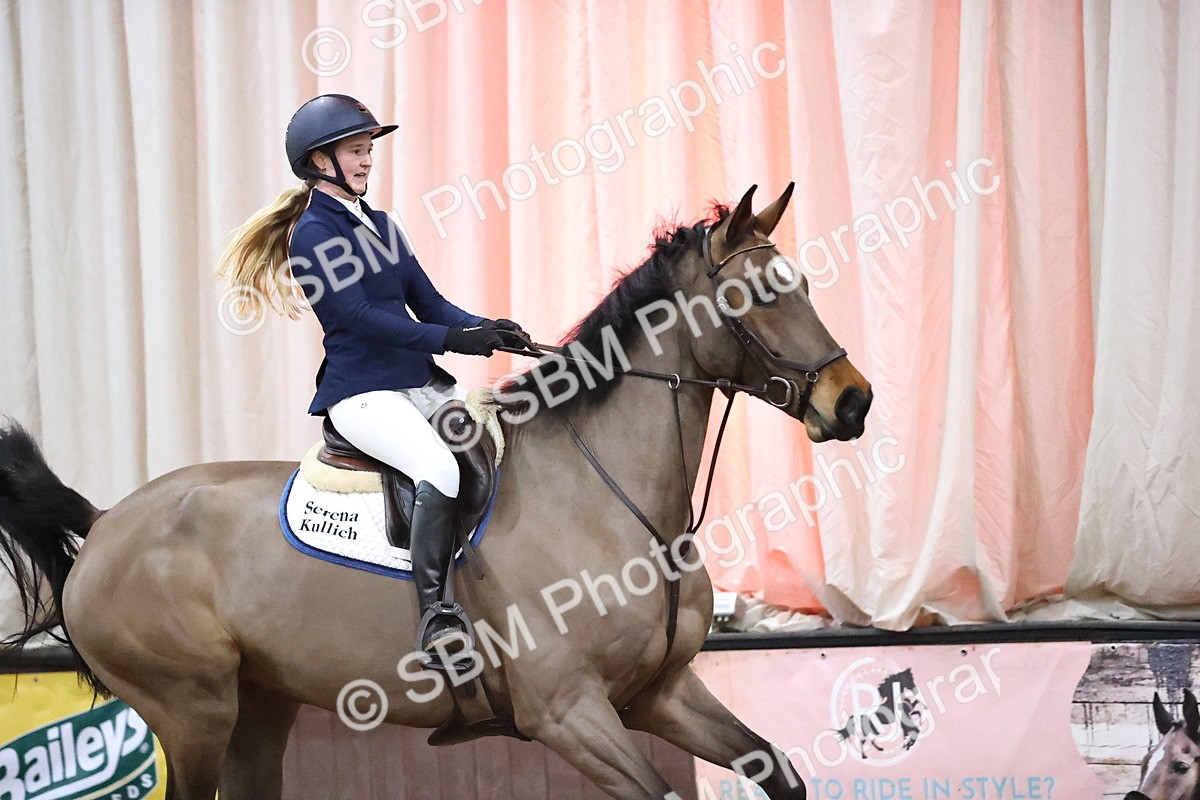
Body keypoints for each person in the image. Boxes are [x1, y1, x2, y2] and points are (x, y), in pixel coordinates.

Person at [217, 93, 523, 665]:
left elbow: (428, 303)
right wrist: (453, 342)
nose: (366, 162)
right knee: (436, 466)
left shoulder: (382, 224)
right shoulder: (310, 234)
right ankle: (436, 618)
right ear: (319, 161)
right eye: (355, 152)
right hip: (363, 394)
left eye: (368, 152)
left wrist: (487, 328)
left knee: (501, 442)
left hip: (417, 383)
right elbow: (360, 319)